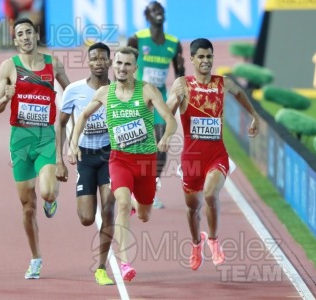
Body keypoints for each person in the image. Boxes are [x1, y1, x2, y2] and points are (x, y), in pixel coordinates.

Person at [69, 46, 177, 281]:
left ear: (135, 68)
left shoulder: (147, 90)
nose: (122, 68)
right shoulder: (105, 93)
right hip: (119, 159)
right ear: (113, 65)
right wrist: (73, 143)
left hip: (146, 161)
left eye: (127, 64)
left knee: (145, 215)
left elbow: (170, 119)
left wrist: (167, 136)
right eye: (118, 63)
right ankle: (126, 263)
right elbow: (83, 116)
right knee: (123, 204)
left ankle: (141, 203)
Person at [167, 38, 259, 271]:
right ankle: (196, 243)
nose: (206, 61)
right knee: (191, 208)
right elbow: (168, 113)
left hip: (216, 154)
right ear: (192, 59)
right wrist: (174, 100)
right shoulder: (182, 84)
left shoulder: (223, 83)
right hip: (191, 157)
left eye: (209, 56)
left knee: (210, 194)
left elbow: (239, 93)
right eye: (201, 57)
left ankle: (214, 240)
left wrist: (254, 116)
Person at [0, 17, 70, 279]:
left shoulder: (53, 64)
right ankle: (36, 258)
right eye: (20, 34)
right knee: (27, 207)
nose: (25, 37)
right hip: (20, 142)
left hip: (45, 138)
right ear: (15, 41)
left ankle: (52, 201)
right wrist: (6, 97)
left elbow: (70, 94)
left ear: (36, 36)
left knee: (47, 193)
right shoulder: (8, 66)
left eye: (29, 32)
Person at [55, 42, 116, 286]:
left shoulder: (119, 90)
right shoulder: (73, 90)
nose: (99, 63)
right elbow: (61, 123)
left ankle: (101, 267)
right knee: (87, 218)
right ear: (88, 62)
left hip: (110, 155)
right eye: (94, 59)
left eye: (103, 59)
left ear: (110, 62)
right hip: (84, 158)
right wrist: (59, 159)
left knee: (109, 208)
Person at [127, 1, 185, 209]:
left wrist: (181, 96)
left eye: (160, 10)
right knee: (136, 142)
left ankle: (151, 186)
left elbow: (180, 72)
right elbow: (123, 67)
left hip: (160, 97)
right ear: (147, 16)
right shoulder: (137, 39)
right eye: (153, 11)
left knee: (163, 142)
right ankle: (131, 186)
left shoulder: (173, 43)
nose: (158, 13)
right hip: (138, 96)